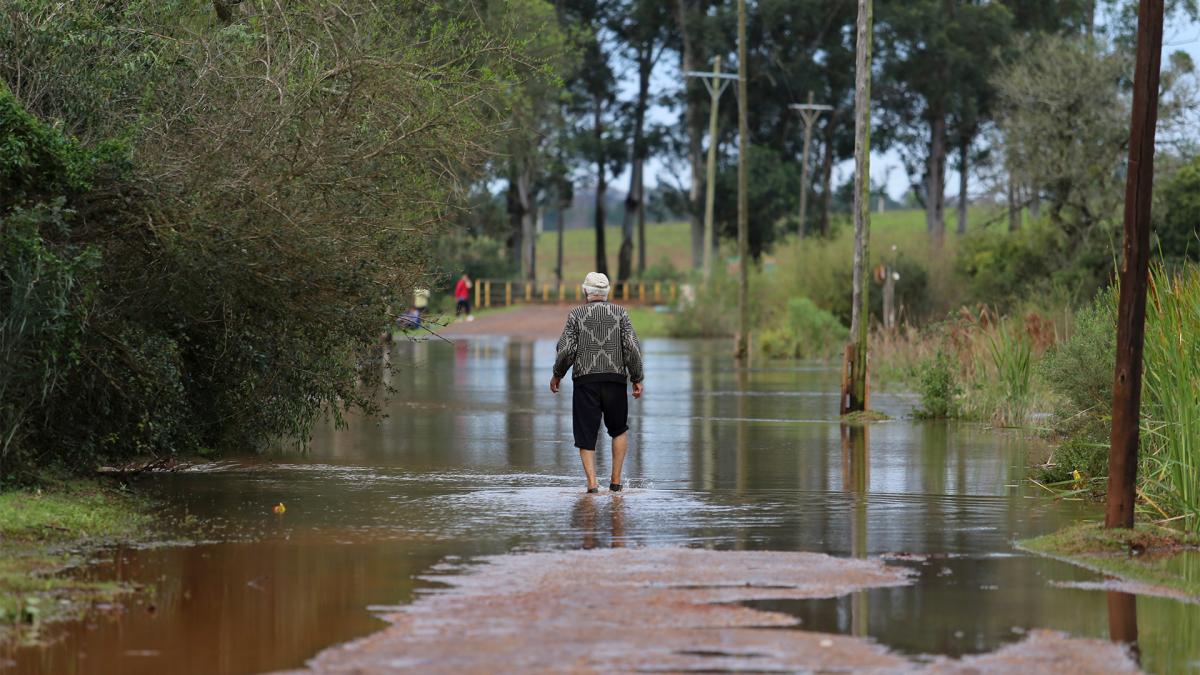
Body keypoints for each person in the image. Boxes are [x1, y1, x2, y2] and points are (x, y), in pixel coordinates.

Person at [550, 272, 644, 493]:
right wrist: (637, 377)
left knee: (586, 434)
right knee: (619, 430)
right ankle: (616, 482)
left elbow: (566, 350)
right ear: (606, 292)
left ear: (585, 291)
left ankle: (592, 485)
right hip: (615, 380)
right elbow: (631, 347)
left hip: (585, 381)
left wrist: (557, 374)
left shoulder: (576, 315)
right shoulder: (621, 313)